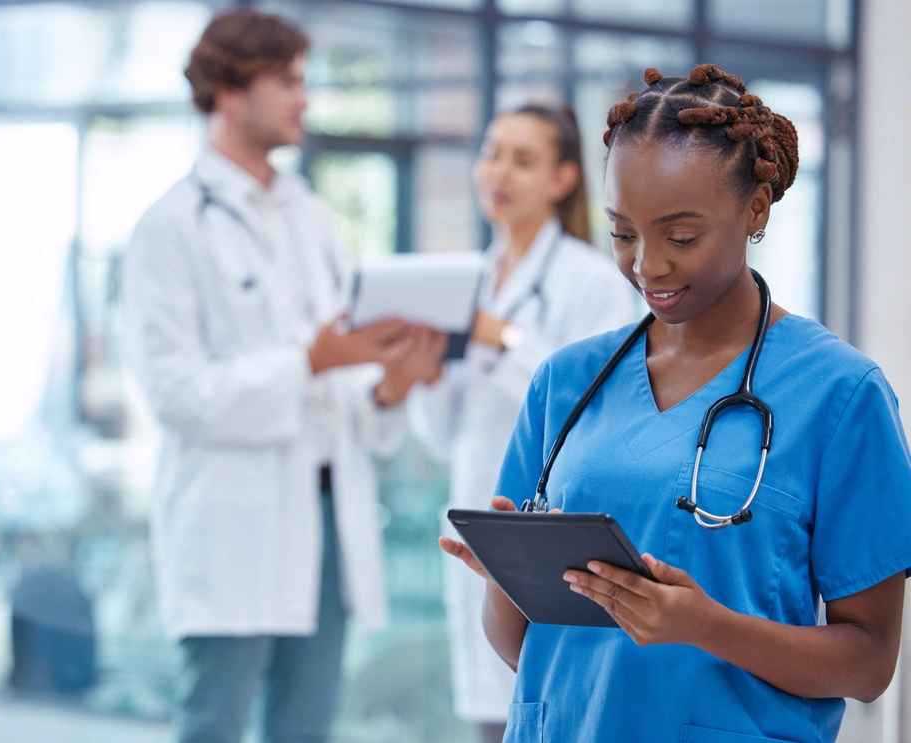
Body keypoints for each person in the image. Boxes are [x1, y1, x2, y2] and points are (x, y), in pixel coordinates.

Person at [440, 64, 911, 743]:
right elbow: (523, 646)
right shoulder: (566, 382)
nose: (648, 266)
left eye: (681, 236)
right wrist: (508, 575)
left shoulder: (840, 395)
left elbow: (868, 663)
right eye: (623, 234)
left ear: (756, 209)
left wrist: (705, 626)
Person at [122, 10, 445, 743]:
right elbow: (176, 393)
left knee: (306, 727)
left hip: (328, 520)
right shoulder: (170, 227)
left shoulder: (311, 217)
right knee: (215, 722)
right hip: (233, 524)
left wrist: (390, 383)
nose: (306, 99)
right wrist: (310, 361)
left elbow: (342, 382)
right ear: (230, 92)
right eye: (290, 82)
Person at [409, 104, 633, 741]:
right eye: (492, 152)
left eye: (523, 158)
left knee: (550, 707)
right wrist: (425, 375)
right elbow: (443, 432)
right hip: (481, 521)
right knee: (491, 718)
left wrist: (500, 336)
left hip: (549, 532)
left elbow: (590, 403)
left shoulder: (592, 280)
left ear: (563, 179)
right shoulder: (470, 279)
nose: (498, 171)